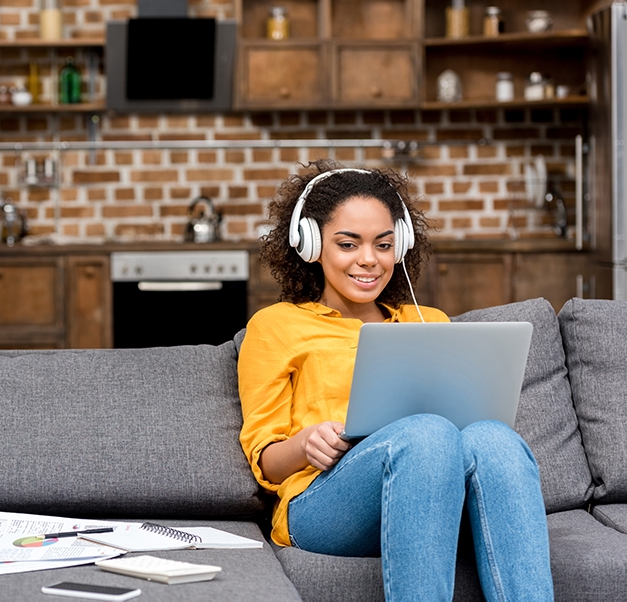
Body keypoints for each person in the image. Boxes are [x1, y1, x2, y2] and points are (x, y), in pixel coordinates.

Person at [237, 159, 553, 601]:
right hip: (325, 502)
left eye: (383, 245)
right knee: (426, 433)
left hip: (435, 495)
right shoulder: (276, 326)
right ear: (310, 245)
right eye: (348, 244)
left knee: (496, 439)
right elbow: (265, 459)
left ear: (400, 246)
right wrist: (305, 442)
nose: (369, 260)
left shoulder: (428, 322)